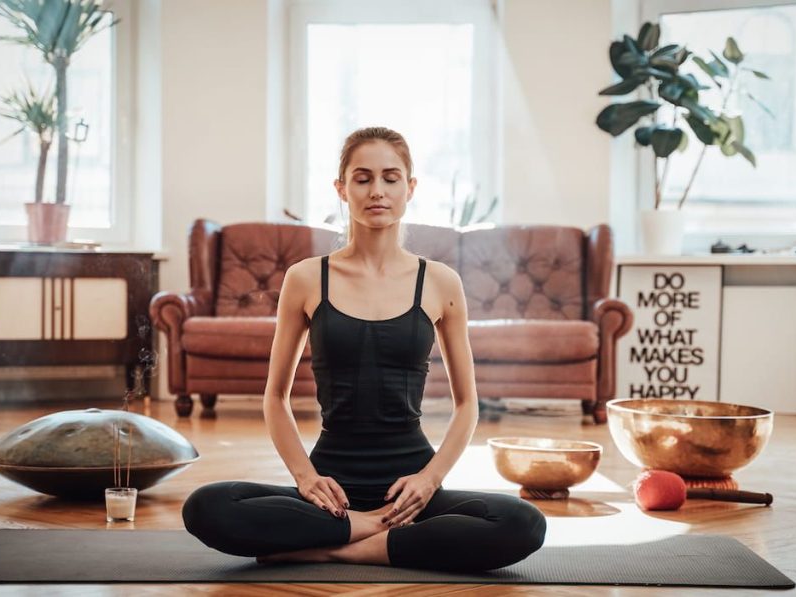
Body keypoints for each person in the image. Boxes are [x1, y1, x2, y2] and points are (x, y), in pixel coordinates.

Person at [182, 127, 546, 572]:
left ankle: (337, 547)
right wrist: (305, 479)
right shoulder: (305, 278)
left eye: (391, 178)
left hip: (409, 487)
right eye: (363, 178)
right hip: (331, 489)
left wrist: (430, 481)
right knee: (208, 506)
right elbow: (275, 397)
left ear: (410, 188)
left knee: (522, 522)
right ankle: (376, 532)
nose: (378, 191)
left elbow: (468, 402)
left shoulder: (440, 282)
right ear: (342, 188)